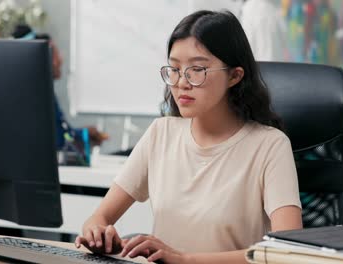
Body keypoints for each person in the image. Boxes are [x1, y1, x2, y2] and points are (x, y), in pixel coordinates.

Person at [75, 10, 302, 264]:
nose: (181, 82)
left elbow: (287, 253)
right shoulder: (161, 134)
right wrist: (98, 232)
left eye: (197, 69)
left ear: (235, 76)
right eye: (174, 69)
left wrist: (185, 259)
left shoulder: (270, 146)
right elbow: (98, 218)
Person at [12, 25, 108, 150]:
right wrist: (84, 135)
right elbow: (58, 140)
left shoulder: (46, 94)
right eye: (56, 54)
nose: (60, 60)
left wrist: (85, 135)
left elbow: (64, 134)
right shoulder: (36, 98)